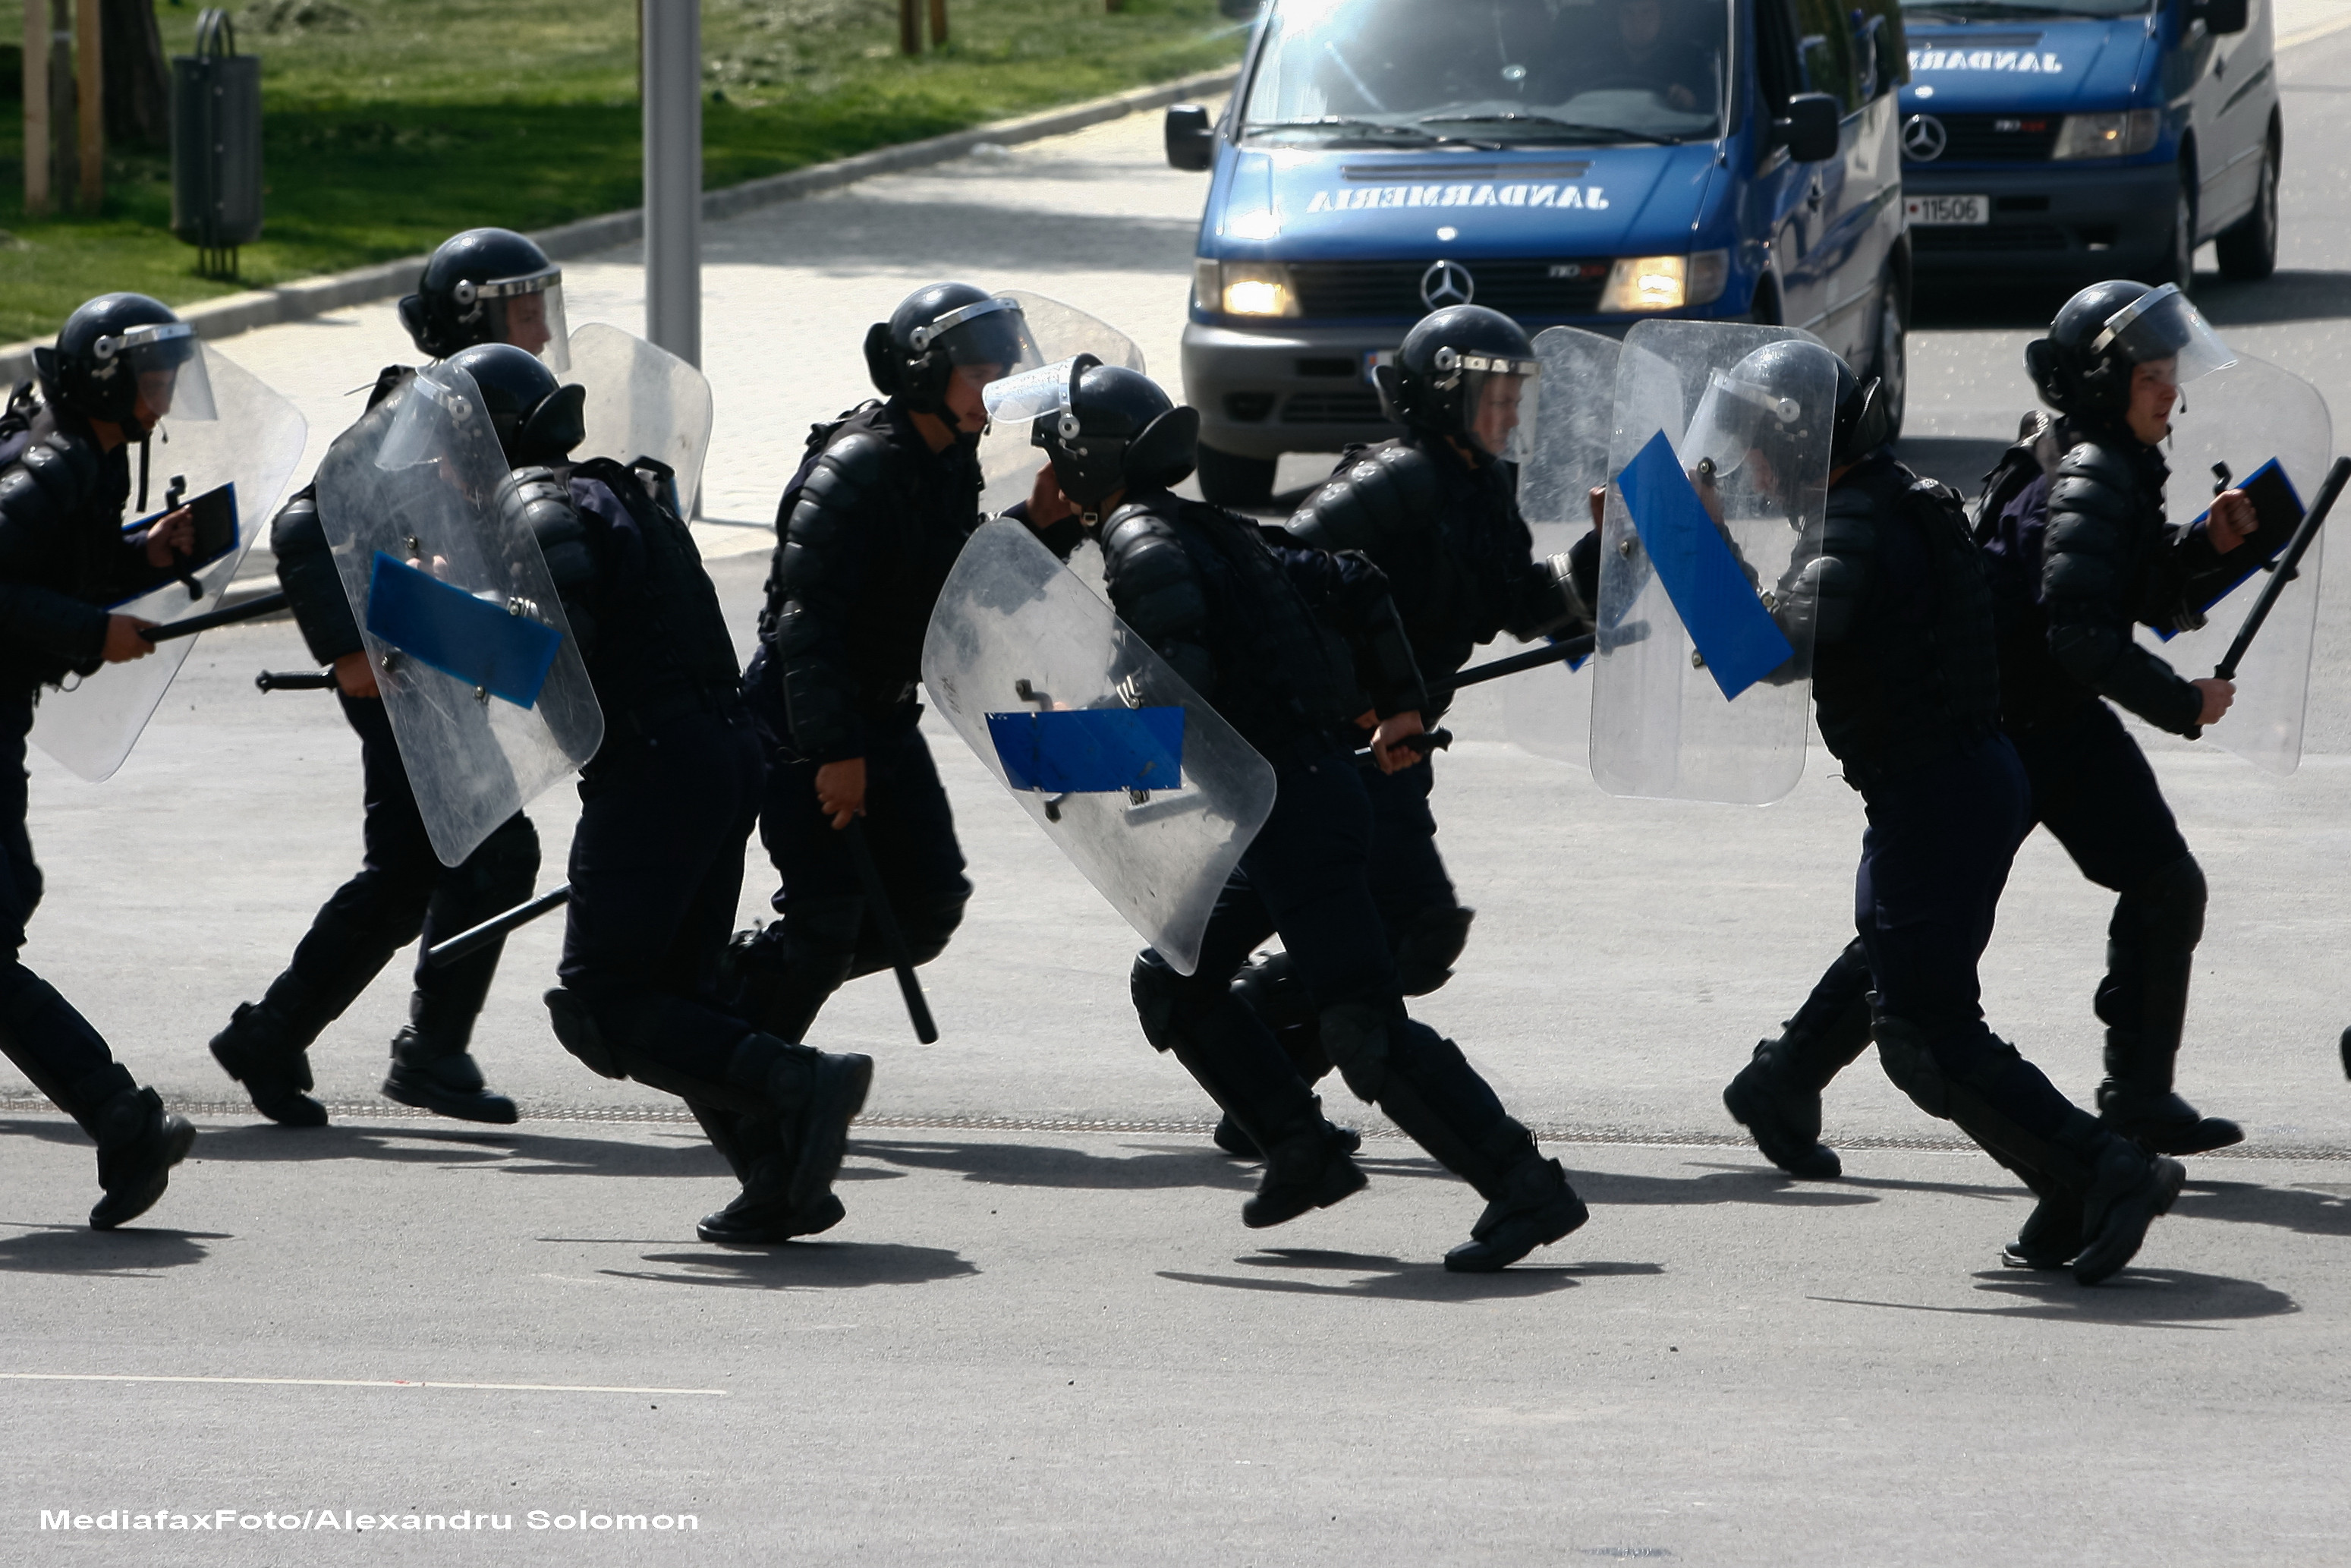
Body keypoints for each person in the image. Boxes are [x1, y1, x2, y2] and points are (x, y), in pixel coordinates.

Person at [1033, 357, 1587, 1272]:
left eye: (1053, 458)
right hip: (1290, 802)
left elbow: (1177, 700)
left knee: (1361, 1024)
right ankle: (1300, 1145)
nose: (1046, 478)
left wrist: (1067, 751)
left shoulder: (1142, 540)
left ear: (1089, 463)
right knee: (1173, 978)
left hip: (1295, 808)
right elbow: (1357, 579)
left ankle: (1523, 1184)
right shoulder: (1214, 526)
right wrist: (1400, 703)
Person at [1728, 280, 2250, 1198]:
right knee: (1913, 952)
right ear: (2104, 383)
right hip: (2005, 729)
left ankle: (2118, 1116)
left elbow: (2119, 596)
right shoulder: (2079, 476)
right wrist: (2180, 703)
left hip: (2010, 732)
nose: (2170, 391)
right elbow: (2079, 631)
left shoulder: (2106, 467)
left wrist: (2209, 548)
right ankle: (1788, 1080)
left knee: (1947, 955)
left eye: (2172, 371)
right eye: (2153, 374)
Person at [400, 345, 873, 1245]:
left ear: (481, 439)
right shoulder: (610, 494)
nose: (438, 469)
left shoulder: (534, 504)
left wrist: (427, 623)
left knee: (603, 1000)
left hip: (658, 768)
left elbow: (552, 658)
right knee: (679, 995)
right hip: (717, 752)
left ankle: (800, 1080)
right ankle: (780, 1179)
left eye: (445, 447)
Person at [1200, 305, 1590, 1157]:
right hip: (1335, 749)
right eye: (1493, 395)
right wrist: (1359, 690)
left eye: (1515, 394)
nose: (1510, 412)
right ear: (1444, 397)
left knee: (1385, 933)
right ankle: (1249, 1060)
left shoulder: (1479, 482)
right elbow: (1281, 574)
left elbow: (1517, 602)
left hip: (1393, 749)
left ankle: (1258, 1088)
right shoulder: (1395, 476)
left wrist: (1611, 553)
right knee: (1403, 930)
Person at [209, 228, 570, 1127]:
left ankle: (278, 1032)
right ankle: (427, 1052)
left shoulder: (486, 400)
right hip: (402, 668)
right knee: (486, 853)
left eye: (540, 307)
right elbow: (303, 526)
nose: (538, 330)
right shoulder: (422, 409)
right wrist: (347, 652)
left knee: (416, 868)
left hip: (444, 652)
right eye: (521, 310)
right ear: (470, 318)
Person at [724, 284, 1054, 1044]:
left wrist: (1037, 527)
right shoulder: (856, 466)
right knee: (827, 920)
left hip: (884, 712)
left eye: (1002, 371)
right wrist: (833, 751)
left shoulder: (947, 458)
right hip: (803, 720)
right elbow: (804, 623)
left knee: (928, 906)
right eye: (979, 373)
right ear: (921, 372)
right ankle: (751, 1079)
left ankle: (735, 987)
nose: (993, 390)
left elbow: (954, 589)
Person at [0, 293, 202, 1226]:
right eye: (150, 370)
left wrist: (139, 558)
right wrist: (91, 631)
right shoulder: (53, 462)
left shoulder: (95, 459)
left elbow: (53, 570)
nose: (163, 387)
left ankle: (123, 1119)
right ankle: (123, 1119)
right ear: (106, 375)